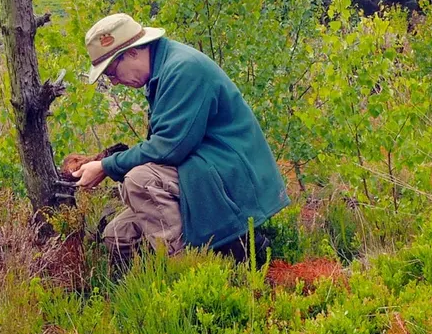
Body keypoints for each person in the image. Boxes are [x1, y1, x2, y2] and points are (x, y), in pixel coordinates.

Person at [72, 13, 288, 264]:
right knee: (118, 235)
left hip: (231, 174)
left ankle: (190, 273)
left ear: (132, 52)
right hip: (203, 169)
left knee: (140, 182)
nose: (115, 82)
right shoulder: (164, 69)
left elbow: (169, 148)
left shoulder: (183, 68)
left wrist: (106, 166)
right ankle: (145, 291)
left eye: (111, 72)